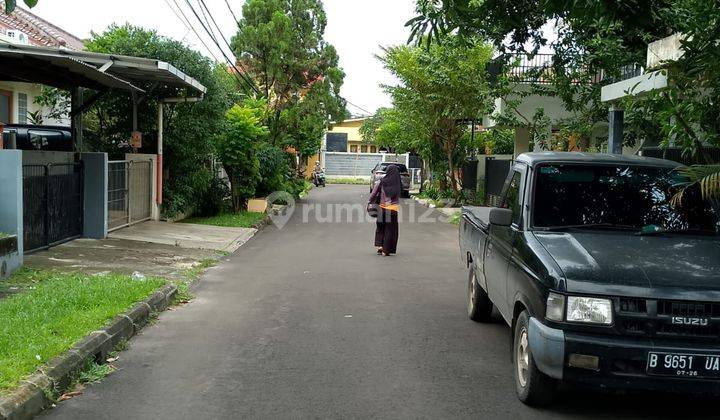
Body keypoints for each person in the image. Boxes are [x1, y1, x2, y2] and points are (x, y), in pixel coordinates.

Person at [368, 164, 401, 256]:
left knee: (380, 227)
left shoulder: (381, 182)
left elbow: (373, 194)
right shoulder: (398, 184)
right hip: (393, 210)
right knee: (390, 230)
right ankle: (385, 250)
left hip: (381, 208)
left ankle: (380, 246)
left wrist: (369, 202)